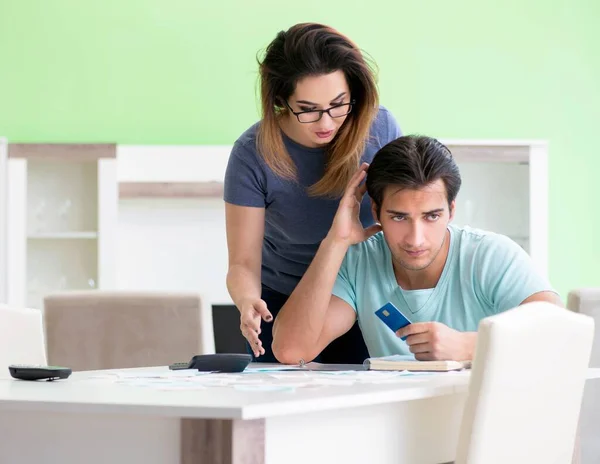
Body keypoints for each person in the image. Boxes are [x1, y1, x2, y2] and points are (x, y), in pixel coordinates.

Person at [271, 135, 562, 364]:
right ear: (376, 211)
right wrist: (335, 242)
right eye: (399, 217)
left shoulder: (490, 255)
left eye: (431, 216)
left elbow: (559, 333)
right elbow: (292, 350)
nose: (416, 239)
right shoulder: (360, 260)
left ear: (451, 210)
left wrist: (467, 346)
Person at [224, 23, 402, 363]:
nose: (326, 123)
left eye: (339, 104)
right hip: (283, 302)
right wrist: (248, 301)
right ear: (280, 100)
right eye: (307, 109)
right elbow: (242, 262)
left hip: (362, 294)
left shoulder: (379, 130)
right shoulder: (252, 153)